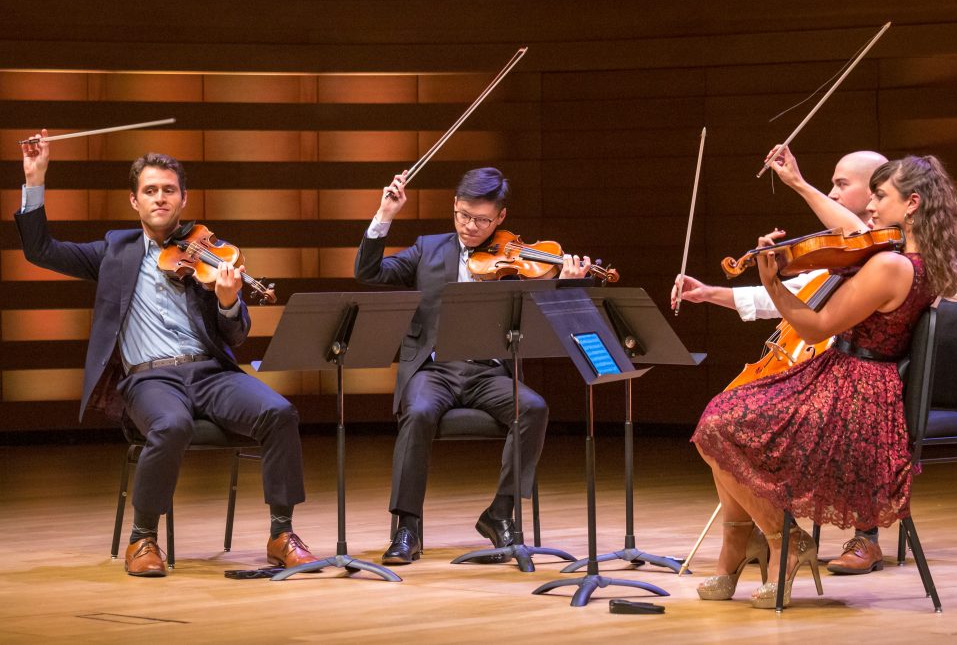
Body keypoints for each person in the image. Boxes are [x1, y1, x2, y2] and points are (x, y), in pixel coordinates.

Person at [16, 131, 318, 577]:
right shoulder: (112, 252)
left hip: (210, 372)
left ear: (183, 198)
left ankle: (281, 533)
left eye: (169, 190)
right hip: (148, 379)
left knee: (279, 412)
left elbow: (236, 334)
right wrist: (35, 176)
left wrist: (229, 300)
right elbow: (40, 248)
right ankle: (142, 539)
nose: (160, 198)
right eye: (150, 191)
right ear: (134, 201)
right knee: (171, 424)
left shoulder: (208, 253)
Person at [690, 154, 957, 608]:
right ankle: (743, 548)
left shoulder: (891, 268)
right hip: (861, 384)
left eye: (881, 196)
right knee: (725, 416)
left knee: (718, 425)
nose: (872, 208)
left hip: (852, 394)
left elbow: (816, 328)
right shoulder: (923, 265)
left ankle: (783, 543)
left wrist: (775, 282)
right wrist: (800, 185)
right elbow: (855, 235)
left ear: (912, 203)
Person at [355, 167, 590, 564]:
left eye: (481, 220)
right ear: (454, 206)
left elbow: (550, 316)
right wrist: (385, 216)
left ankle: (500, 513)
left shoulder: (517, 260)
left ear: (500, 218)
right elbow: (368, 272)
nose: (469, 226)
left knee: (532, 407)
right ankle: (407, 527)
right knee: (419, 411)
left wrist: (567, 283)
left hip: (487, 373)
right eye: (462, 215)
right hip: (434, 370)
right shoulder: (427, 249)